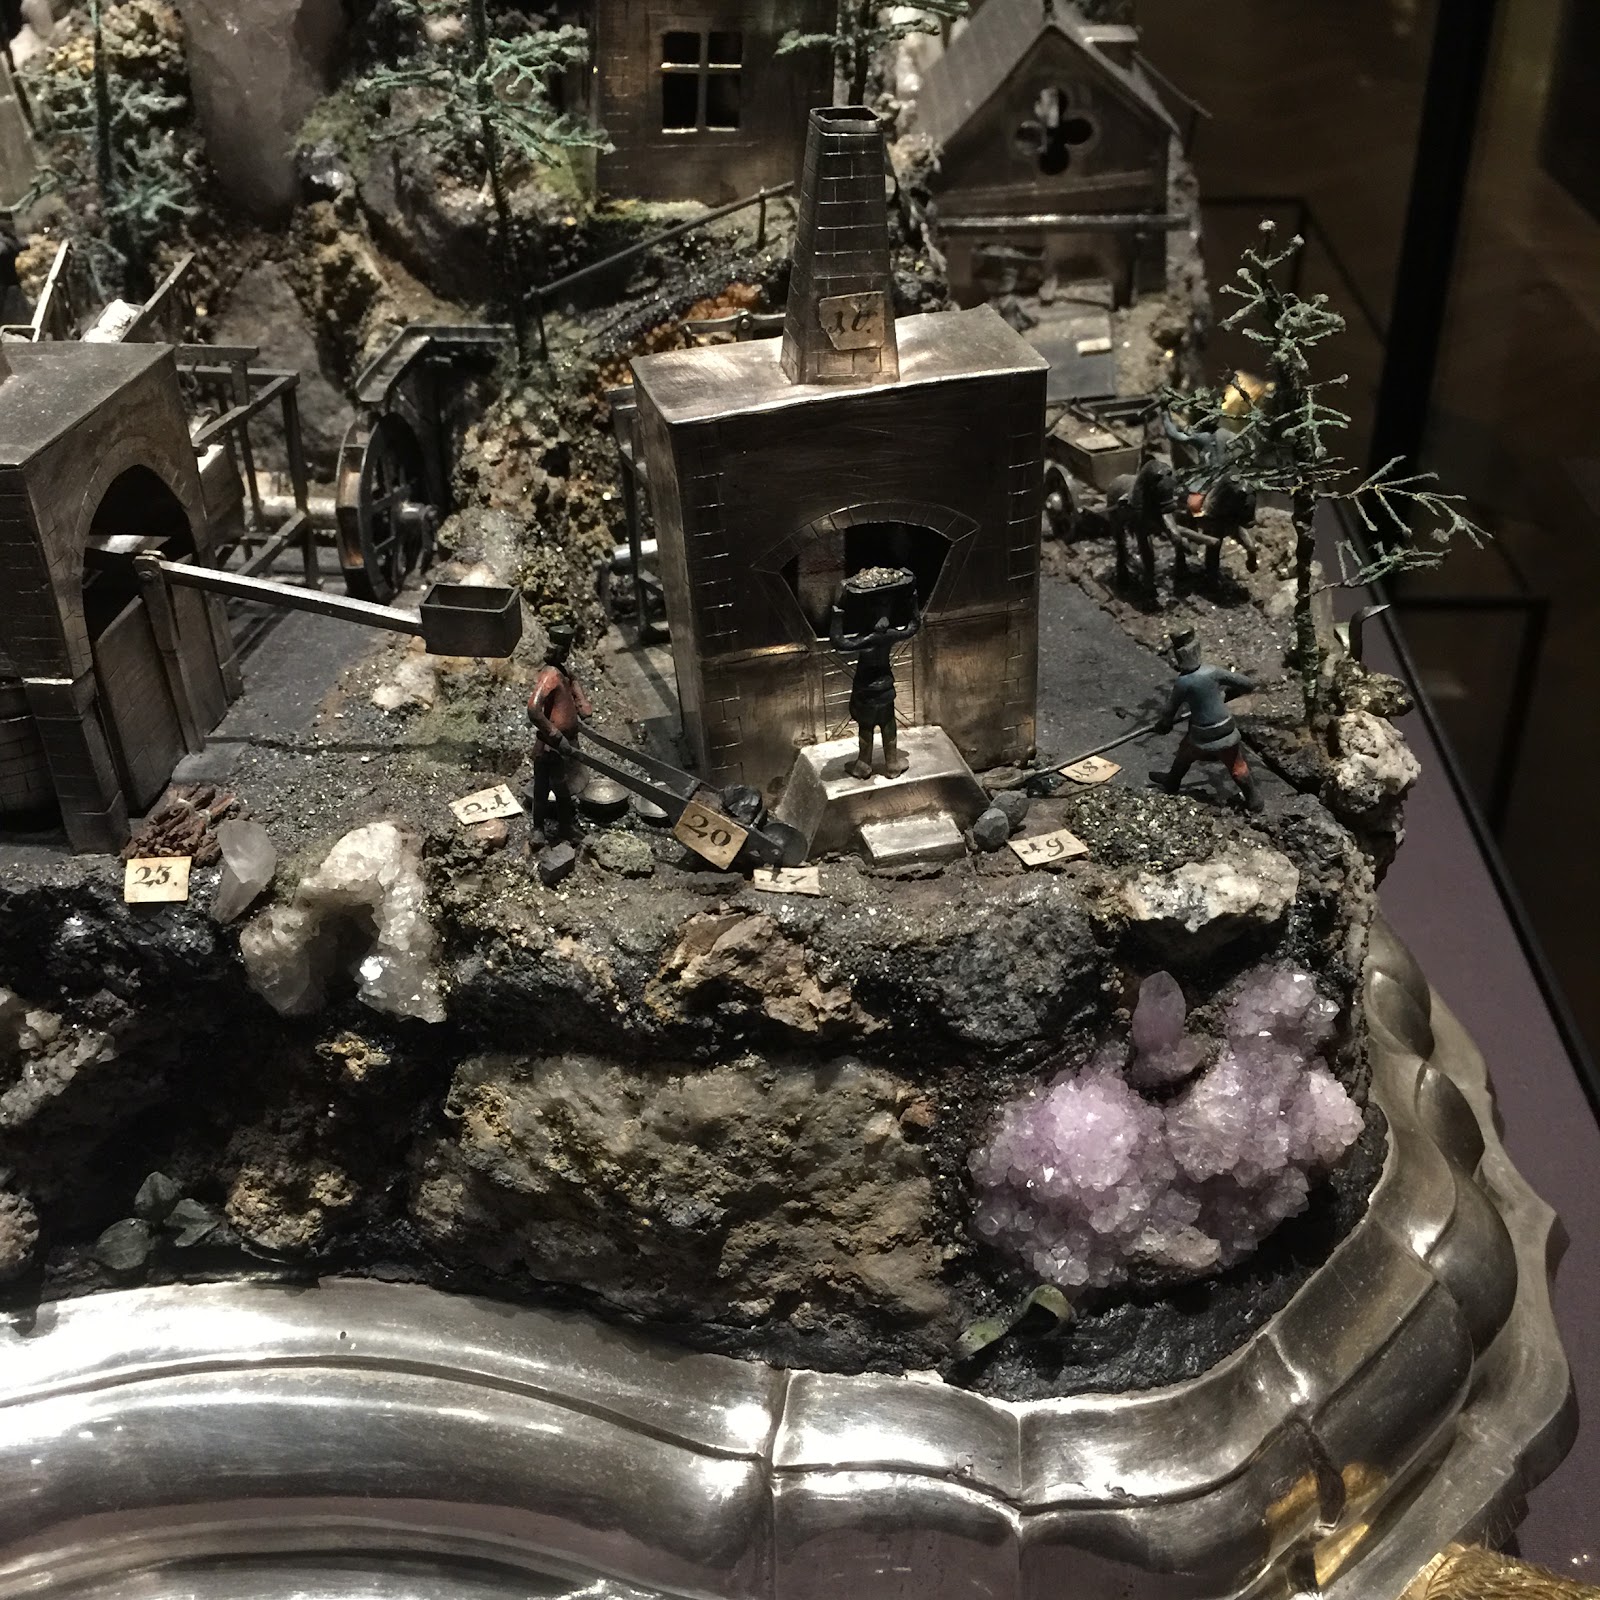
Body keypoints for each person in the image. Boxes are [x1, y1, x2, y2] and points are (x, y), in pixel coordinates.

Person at [1148, 628, 1263, 813]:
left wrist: (1164, 725)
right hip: (1225, 728)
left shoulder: (1183, 683)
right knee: (1234, 764)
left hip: (1202, 732)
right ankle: (1254, 799)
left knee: (1186, 752)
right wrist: (1225, 694)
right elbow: (1247, 684)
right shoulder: (1213, 671)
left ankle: (1172, 782)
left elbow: (1170, 710)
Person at [829, 570, 922, 780]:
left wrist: (837, 611)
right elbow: (913, 626)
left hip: (867, 690)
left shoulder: (867, 639)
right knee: (888, 724)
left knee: (866, 726)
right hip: (886, 689)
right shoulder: (889, 635)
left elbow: (839, 641)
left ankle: (863, 764)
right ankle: (892, 763)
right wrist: (913, 599)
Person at [525, 621, 591, 839]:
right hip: (550, 745)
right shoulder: (550, 676)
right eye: (564, 650)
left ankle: (566, 826)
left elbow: (578, 699)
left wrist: (582, 705)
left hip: (565, 744)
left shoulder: (563, 673)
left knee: (563, 788)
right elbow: (533, 709)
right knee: (542, 788)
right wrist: (554, 734)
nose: (566, 654)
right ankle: (538, 829)